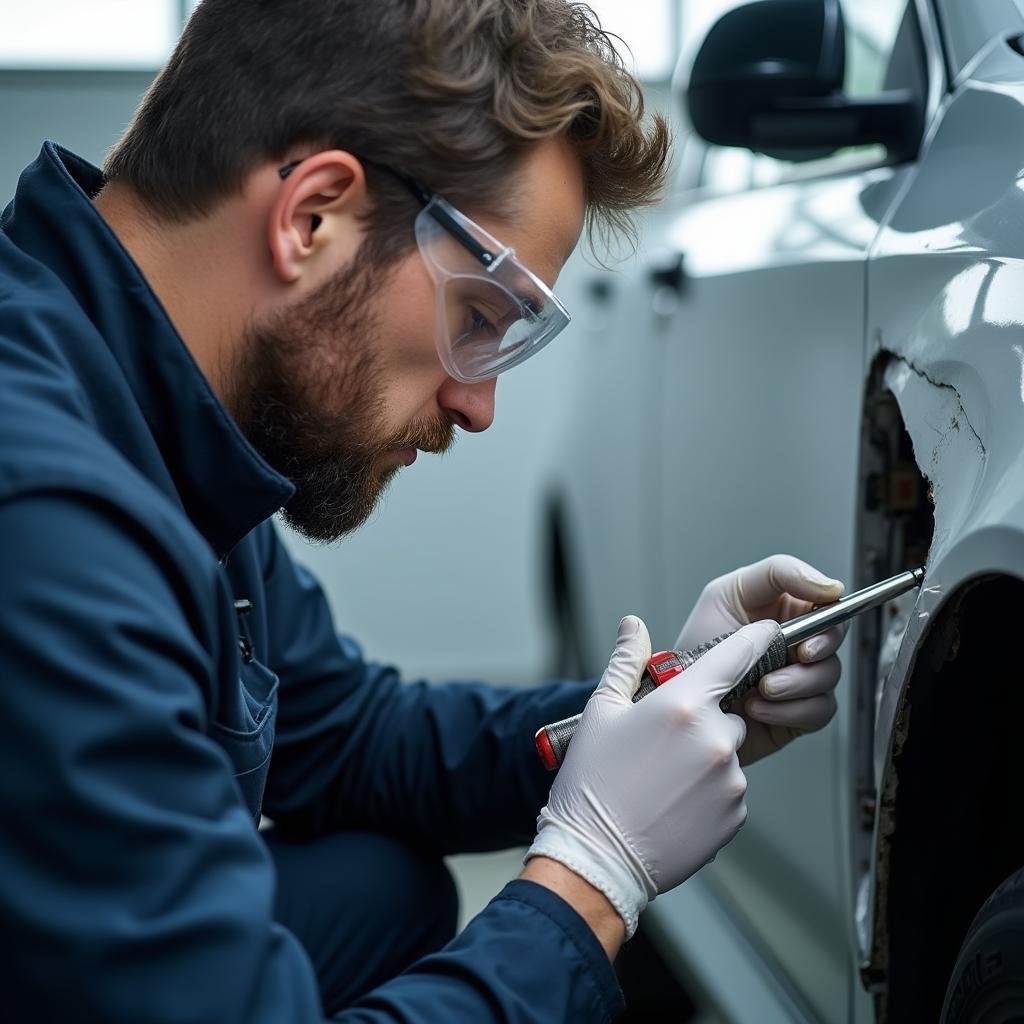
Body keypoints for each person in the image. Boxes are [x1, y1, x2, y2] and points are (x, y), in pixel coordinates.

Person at [0, 1, 847, 1020]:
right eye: (480, 318)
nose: (477, 406)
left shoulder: (145, 404)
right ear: (312, 216)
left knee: (381, 888)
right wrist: (593, 875)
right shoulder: (49, 515)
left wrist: (658, 703)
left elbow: (346, 735)